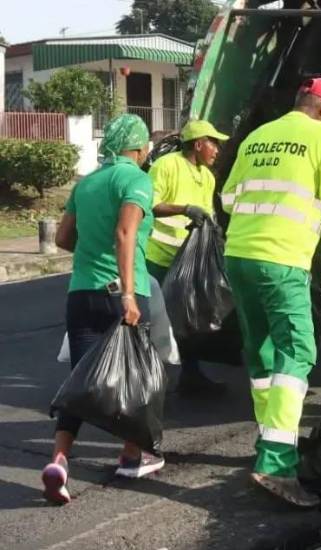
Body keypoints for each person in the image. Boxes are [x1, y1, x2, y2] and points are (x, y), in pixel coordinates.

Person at [220, 78, 321, 507]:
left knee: (261, 352)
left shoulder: (259, 134)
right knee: (298, 351)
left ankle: (266, 438)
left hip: (239, 254)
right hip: (283, 258)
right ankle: (276, 462)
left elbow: (228, 197)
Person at [43, 114, 163, 505]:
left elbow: (63, 237)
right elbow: (125, 234)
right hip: (121, 293)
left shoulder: (88, 182)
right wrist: (127, 294)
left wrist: (90, 259)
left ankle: (59, 461)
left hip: (81, 294)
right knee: (135, 376)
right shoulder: (136, 180)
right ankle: (131, 454)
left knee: (81, 382)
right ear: (140, 148)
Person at [145, 120, 230, 395]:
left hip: (188, 260)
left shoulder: (207, 176)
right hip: (157, 256)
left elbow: (205, 214)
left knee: (191, 317)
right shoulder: (167, 165)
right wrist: (185, 208)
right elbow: (149, 205)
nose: (217, 149)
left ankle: (190, 374)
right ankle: (145, 379)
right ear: (198, 144)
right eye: (213, 143)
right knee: (153, 318)